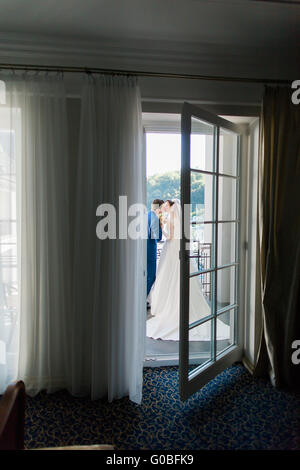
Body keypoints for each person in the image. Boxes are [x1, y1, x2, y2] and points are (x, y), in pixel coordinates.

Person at [147, 198, 229, 342]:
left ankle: (169, 306)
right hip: (178, 249)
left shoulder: (171, 216)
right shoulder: (179, 218)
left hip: (171, 249)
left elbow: (170, 236)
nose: (164, 207)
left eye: (166, 205)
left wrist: (162, 226)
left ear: (171, 206)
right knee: (176, 276)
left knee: (168, 276)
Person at [147, 199, 164, 300]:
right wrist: (161, 225)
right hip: (150, 250)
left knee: (146, 276)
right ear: (158, 208)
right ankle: (143, 299)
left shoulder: (147, 214)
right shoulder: (155, 218)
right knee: (151, 276)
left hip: (145, 249)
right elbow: (157, 237)